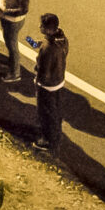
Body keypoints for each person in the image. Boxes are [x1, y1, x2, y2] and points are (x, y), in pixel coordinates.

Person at [33, 13, 71, 147]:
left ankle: (47, 140)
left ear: (48, 29)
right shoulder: (62, 39)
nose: (39, 27)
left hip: (47, 86)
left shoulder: (47, 48)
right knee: (56, 109)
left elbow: (44, 71)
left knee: (45, 113)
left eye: (42, 26)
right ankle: (56, 132)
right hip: (59, 80)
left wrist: (38, 82)